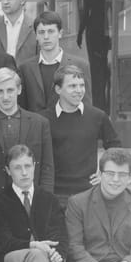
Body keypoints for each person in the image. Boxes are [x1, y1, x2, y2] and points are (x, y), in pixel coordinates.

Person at [0, 67, 54, 201]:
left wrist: (44, 200)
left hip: (31, 200)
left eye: (10, 90)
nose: (5, 97)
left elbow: (47, 167)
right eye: (0, 91)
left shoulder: (40, 123)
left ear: (19, 89)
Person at [40, 65, 120, 208]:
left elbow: (115, 147)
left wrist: (105, 172)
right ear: (58, 89)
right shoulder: (43, 119)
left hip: (88, 192)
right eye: (72, 86)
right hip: (55, 194)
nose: (79, 90)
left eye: (82, 85)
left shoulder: (97, 116)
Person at [19, 11, 93, 112]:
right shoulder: (25, 68)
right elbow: (22, 108)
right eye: (41, 32)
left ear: (60, 33)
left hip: (68, 121)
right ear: (36, 35)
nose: (46, 37)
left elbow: (86, 106)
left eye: (51, 31)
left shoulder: (80, 65)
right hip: (35, 121)